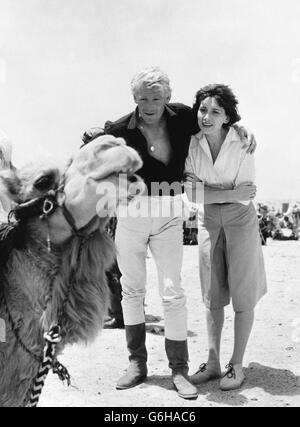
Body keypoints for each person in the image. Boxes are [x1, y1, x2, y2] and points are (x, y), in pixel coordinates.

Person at [82, 67, 256, 399]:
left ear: (167, 97)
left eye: (156, 97)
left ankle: (179, 370)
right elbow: (90, 157)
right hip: (131, 214)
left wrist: (241, 130)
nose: (149, 104)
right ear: (134, 98)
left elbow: (217, 122)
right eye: (143, 98)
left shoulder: (184, 117)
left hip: (168, 211)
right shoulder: (119, 129)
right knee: (132, 290)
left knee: (173, 290)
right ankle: (137, 364)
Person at [184, 84, 267, 390]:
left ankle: (236, 364)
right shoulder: (192, 144)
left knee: (243, 294)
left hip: (240, 219)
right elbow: (191, 193)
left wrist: (214, 191)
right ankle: (214, 362)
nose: (206, 116)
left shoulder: (242, 141)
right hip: (208, 220)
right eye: (202, 109)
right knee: (212, 295)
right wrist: (228, 191)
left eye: (215, 111)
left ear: (227, 117)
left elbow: (247, 194)